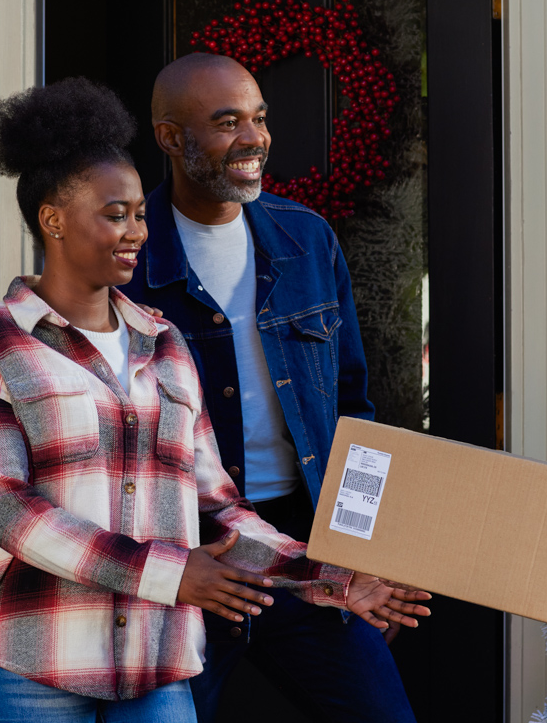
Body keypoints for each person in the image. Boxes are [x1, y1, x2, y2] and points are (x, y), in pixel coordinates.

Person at [0, 77, 430, 723]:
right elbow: (9, 512)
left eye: (139, 212)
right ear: (53, 221)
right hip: (41, 656)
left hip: (163, 649)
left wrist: (334, 577)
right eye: (115, 214)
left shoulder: (163, 340)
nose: (135, 231)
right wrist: (173, 574)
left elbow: (218, 502)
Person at [117, 52, 419, 723]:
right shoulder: (126, 261)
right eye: (227, 122)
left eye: (258, 118)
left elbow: (352, 412)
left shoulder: (307, 240)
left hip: (304, 547)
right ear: (169, 136)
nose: (253, 138)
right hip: (186, 557)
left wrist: (360, 556)